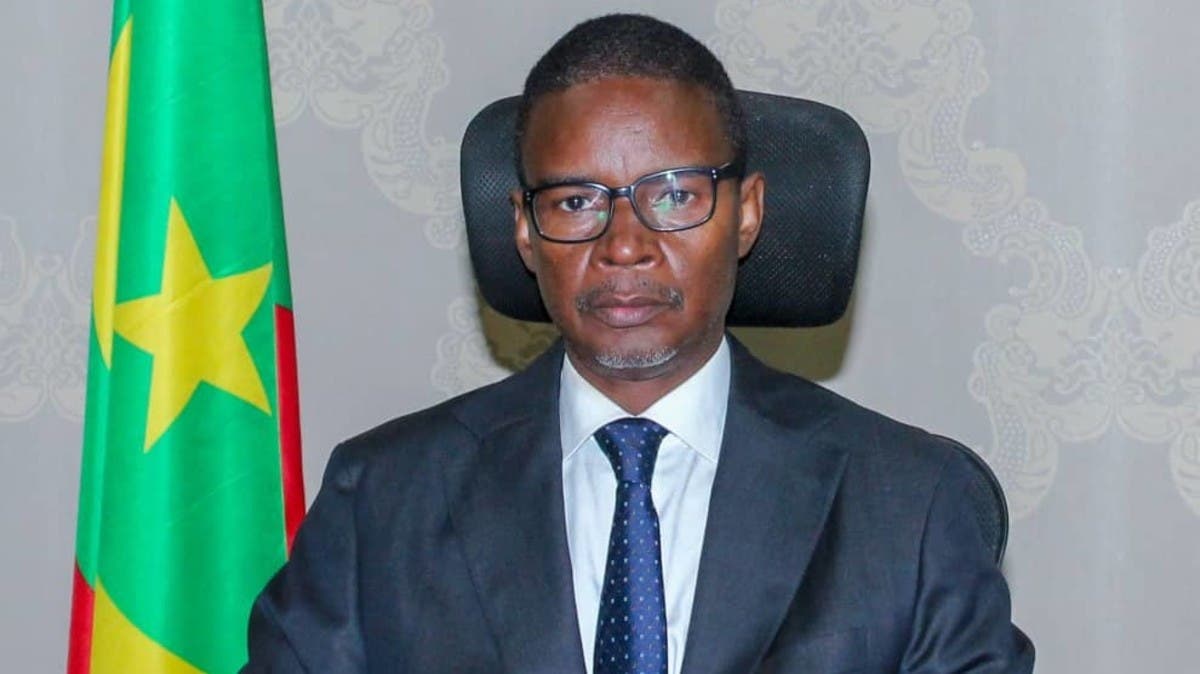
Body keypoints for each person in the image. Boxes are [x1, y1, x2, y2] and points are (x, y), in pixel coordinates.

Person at [244, 13, 1034, 674]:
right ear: (524, 230)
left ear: (747, 214)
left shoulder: (911, 505)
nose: (625, 245)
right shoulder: (383, 500)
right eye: (576, 202)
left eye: (675, 195)